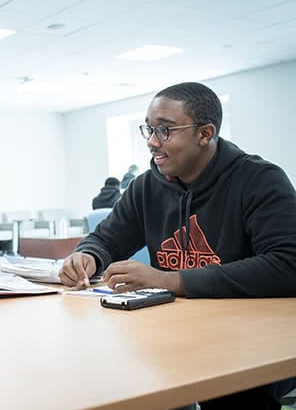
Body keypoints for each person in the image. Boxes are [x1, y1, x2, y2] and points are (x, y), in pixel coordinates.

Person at [59, 81, 296, 409]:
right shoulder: (147, 186)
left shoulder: (259, 180)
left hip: (254, 339)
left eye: (165, 131)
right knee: (117, 378)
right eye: (149, 129)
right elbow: (106, 238)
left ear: (205, 133)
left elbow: (288, 265)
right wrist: (88, 256)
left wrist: (170, 280)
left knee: (233, 394)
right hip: (178, 334)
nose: (152, 143)